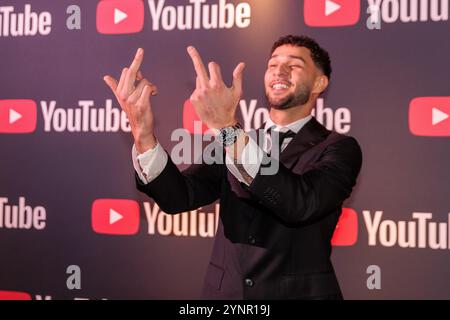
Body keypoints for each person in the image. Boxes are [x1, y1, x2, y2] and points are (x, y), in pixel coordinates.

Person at [104, 35, 362, 300]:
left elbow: (299, 203)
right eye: (272, 65)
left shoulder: (338, 148)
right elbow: (179, 196)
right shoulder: (238, 141)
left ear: (320, 82)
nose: (279, 72)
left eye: (294, 65)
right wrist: (143, 134)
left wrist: (226, 129)